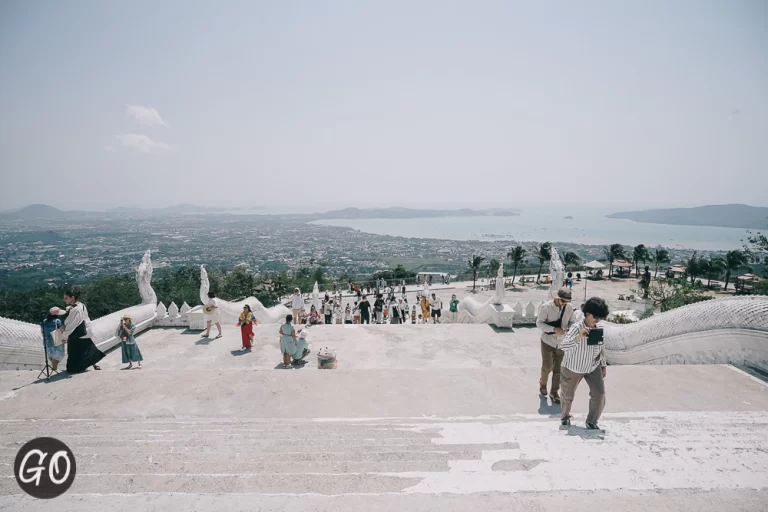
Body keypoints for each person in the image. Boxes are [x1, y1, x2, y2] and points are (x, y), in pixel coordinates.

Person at [559, 297, 610, 429]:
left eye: (600, 317)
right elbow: (563, 346)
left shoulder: (598, 328)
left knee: (599, 395)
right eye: (595, 316)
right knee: (567, 396)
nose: (597, 320)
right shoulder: (576, 328)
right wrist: (578, 337)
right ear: (587, 313)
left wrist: (603, 365)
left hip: (593, 367)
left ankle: (592, 421)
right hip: (572, 367)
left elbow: (600, 348)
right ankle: (565, 417)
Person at [536, 288, 577, 404]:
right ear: (557, 299)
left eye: (567, 302)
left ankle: (554, 392)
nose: (565, 304)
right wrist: (553, 329)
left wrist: (569, 329)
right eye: (563, 301)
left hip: (562, 342)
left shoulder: (569, 308)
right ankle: (543, 382)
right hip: (548, 341)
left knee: (559, 369)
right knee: (547, 366)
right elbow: (539, 323)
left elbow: (572, 321)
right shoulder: (546, 307)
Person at [60, 290, 104, 373]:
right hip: (85, 331)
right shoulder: (81, 305)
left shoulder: (76, 309)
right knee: (87, 349)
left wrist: (64, 336)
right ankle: (91, 364)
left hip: (77, 334)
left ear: (72, 298)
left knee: (74, 352)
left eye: (66, 298)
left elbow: (72, 325)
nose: (64, 300)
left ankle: (79, 368)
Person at [42, 306, 66, 372]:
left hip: (47, 340)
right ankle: (54, 369)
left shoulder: (44, 321)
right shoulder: (58, 321)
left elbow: (42, 331)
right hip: (56, 339)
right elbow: (62, 330)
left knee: (52, 355)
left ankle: (54, 368)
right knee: (57, 355)